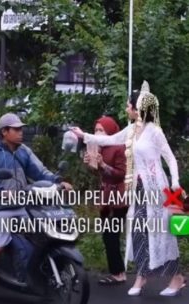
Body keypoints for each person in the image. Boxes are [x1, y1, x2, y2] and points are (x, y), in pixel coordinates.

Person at [72, 81, 186, 296]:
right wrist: (83, 135)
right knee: (138, 232)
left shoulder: (155, 132)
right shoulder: (132, 130)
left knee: (161, 233)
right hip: (138, 189)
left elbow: (170, 158)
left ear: (137, 108)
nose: (126, 109)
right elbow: (110, 139)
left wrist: (175, 183)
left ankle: (177, 278)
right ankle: (141, 278)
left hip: (156, 188)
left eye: (128, 106)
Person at [0, 113, 72, 302]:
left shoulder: (23, 151)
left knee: (41, 236)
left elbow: (39, 171)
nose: (20, 132)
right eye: (16, 129)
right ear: (4, 132)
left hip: (21, 204)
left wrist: (58, 182)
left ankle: (33, 277)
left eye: (21, 129)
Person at [82, 116, 128, 285]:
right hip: (106, 197)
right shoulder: (100, 147)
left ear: (110, 131)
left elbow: (120, 174)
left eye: (101, 130)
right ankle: (117, 271)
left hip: (118, 198)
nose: (97, 133)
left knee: (111, 235)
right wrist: (91, 164)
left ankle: (118, 273)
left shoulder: (119, 147)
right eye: (96, 130)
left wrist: (103, 166)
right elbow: (99, 174)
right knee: (108, 235)